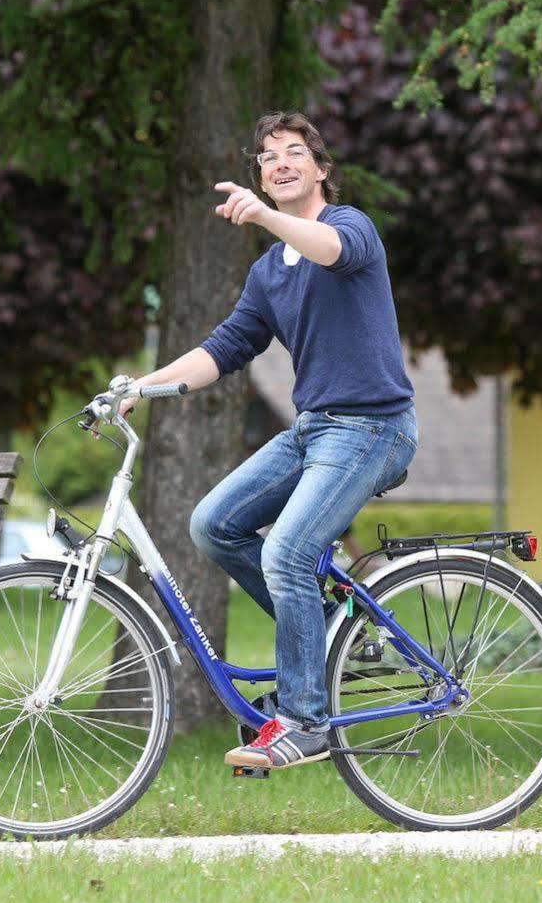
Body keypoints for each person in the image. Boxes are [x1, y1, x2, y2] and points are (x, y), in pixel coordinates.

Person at [128, 111, 417, 770]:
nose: (279, 162)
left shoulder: (348, 228)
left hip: (374, 427)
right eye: (266, 156)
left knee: (287, 549)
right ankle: (330, 631)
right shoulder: (268, 274)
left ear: (320, 170)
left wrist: (261, 215)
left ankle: (305, 721)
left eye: (294, 152)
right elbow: (224, 348)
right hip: (316, 429)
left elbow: (331, 252)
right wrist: (141, 387)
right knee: (213, 524)